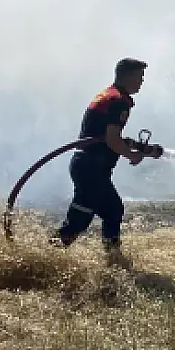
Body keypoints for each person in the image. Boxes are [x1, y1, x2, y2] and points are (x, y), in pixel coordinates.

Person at [57, 58, 152, 267]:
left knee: (113, 211)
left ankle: (113, 261)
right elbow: (111, 139)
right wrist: (132, 156)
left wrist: (131, 145)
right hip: (92, 168)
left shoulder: (109, 95)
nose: (142, 82)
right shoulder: (119, 101)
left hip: (89, 166)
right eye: (139, 77)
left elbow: (105, 135)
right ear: (127, 77)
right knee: (79, 221)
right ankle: (45, 259)